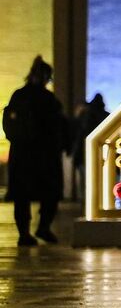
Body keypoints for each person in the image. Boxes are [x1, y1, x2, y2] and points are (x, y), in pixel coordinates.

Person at [6, 57, 67, 246]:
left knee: (29, 195)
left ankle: (33, 231)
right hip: (37, 154)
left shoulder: (25, 96)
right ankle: (34, 230)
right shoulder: (42, 99)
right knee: (37, 194)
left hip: (30, 154)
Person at [68, 93, 107, 201]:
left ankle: (86, 202)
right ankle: (98, 201)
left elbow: (76, 134)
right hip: (100, 154)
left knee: (84, 181)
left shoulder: (84, 117)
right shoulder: (106, 116)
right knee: (99, 180)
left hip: (82, 153)